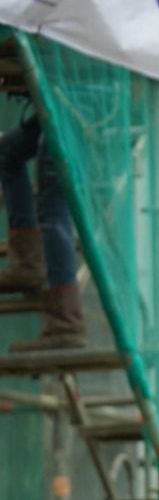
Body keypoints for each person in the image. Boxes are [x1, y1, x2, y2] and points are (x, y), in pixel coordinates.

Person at [0, 106, 86, 351]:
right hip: (55, 99)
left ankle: (66, 323)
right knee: (7, 152)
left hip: (72, 102)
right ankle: (27, 264)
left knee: (53, 205)